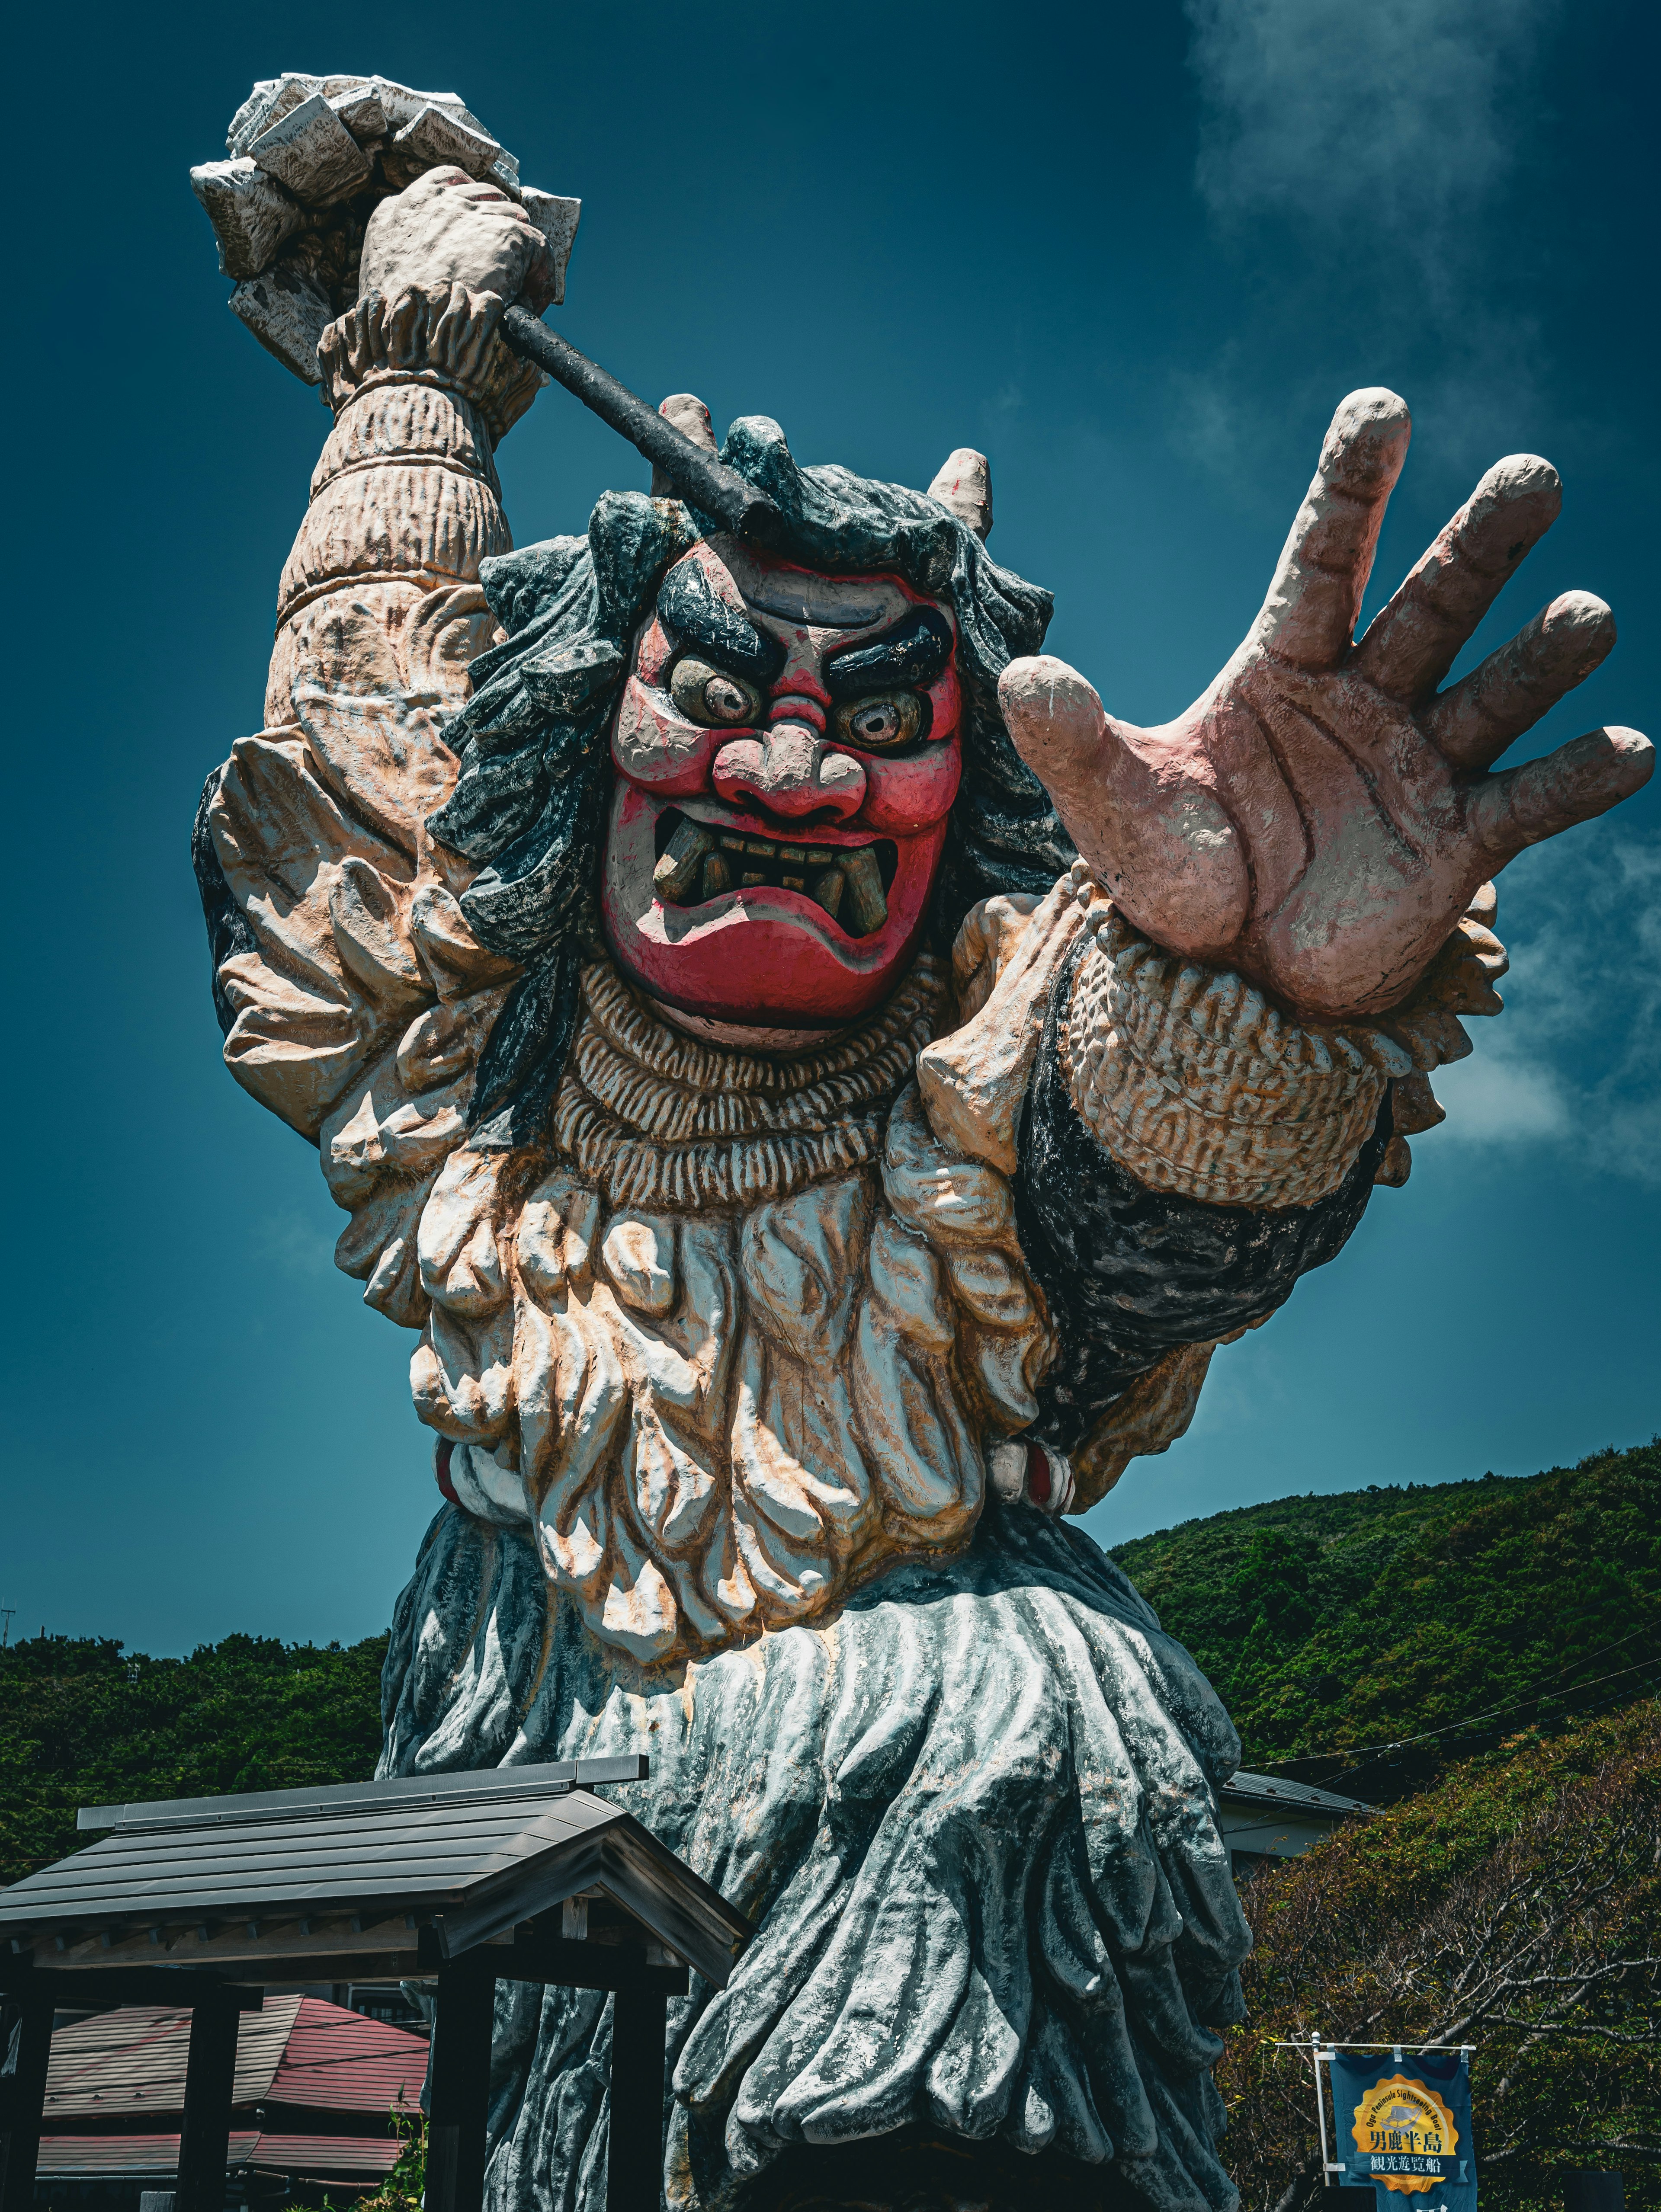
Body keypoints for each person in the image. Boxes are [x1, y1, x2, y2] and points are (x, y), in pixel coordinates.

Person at [193, 145, 1650, 2212]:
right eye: (718, 688)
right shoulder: (468, 1021)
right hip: (537, 1710)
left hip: (938, 1756)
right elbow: (363, 744)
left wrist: (1250, 988)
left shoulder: (992, 1037)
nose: (792, 773)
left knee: (1019, 1735)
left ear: (974, 794)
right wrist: (411, 382)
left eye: (878, 719)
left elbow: (1120, 1200)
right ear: (590, 727)